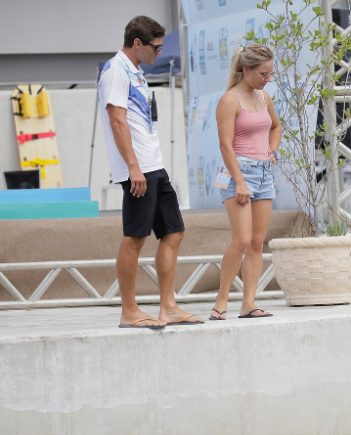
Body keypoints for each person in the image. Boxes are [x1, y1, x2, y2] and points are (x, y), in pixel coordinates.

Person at [100, 16, 203, 328]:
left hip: (153, 165)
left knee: (173, 230)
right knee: (135, 237)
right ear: (136, 44)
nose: (160, 52)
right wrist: (133, 167)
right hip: (138, 168)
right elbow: (117, 121)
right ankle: (129, 311)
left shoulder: (137, 73)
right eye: (155, 47)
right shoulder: (116, 71)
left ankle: (168, 305)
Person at [209, 44, 281, 320]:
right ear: (245, 70)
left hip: (263, 171)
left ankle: (249, 301)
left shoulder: (264, 97)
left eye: (270, 73)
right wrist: (239, 181)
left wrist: (271, 149)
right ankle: (222, 298)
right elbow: (225, 145)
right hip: (239, 171)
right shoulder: (230, 100)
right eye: (263, 73)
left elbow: (276, 126)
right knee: (240, 240)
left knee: (257, 241)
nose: (267, 78)